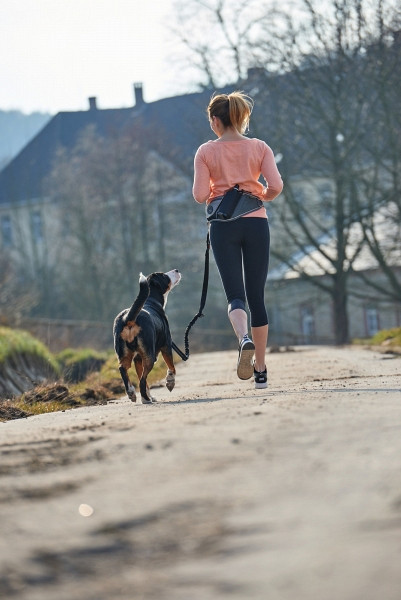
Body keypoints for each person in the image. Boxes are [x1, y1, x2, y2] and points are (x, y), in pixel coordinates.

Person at [192, 91, 283, 389]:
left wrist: (217, 186)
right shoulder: (259, 147)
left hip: (223, 227)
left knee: (235, 294)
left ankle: (242, 338)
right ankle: (260, 368)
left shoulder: (205, 151)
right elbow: (276, 185)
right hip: (256, 224)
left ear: (216, 120)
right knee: (257, 296)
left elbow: (200, 196)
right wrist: (260, 195)